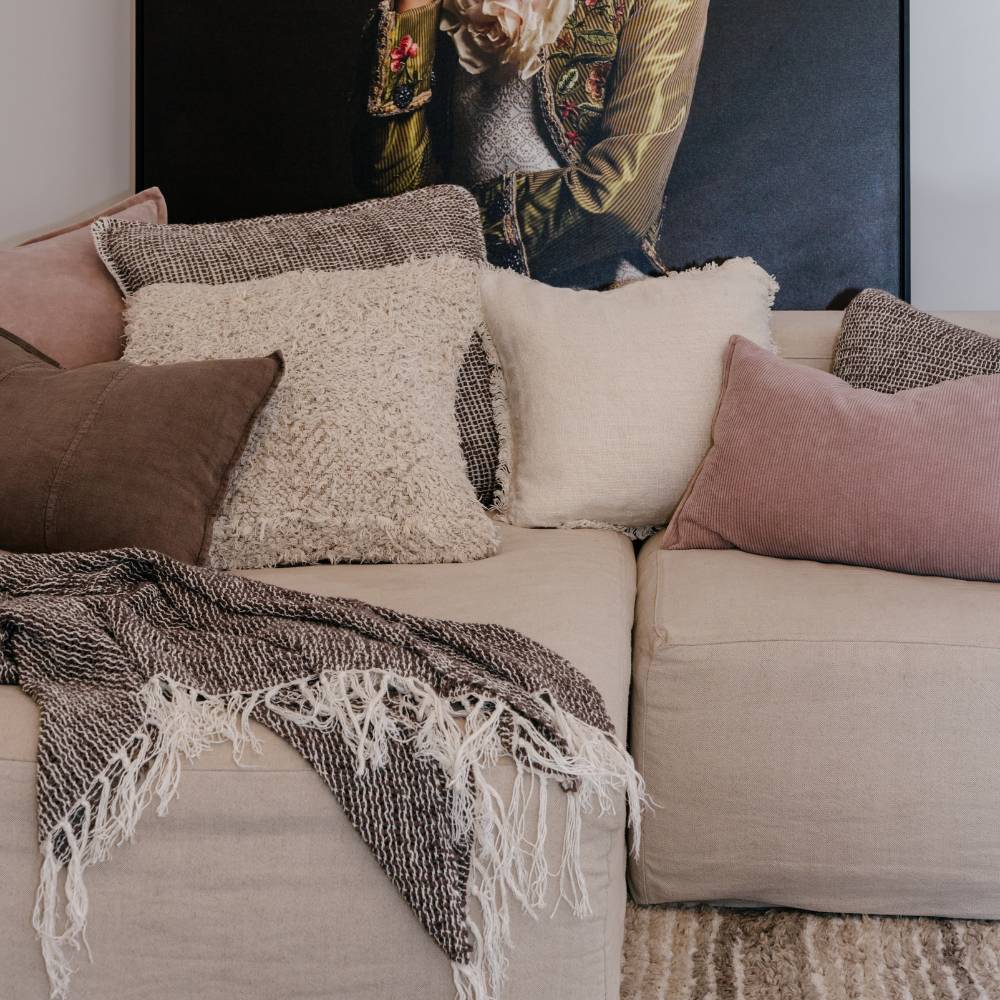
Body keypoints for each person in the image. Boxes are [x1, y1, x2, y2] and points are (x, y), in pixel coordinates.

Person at [356, 0, 709, 289]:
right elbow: (393, 194)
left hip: (589, 299)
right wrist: (411, 15)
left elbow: (621, 201)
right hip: (455, 295)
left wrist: (434, 233)